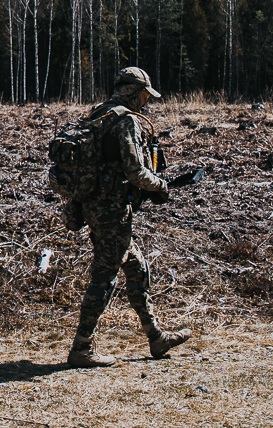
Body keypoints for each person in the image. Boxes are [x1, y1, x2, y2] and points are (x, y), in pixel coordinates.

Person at [65, 66, 192, 368]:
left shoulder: (99, 114)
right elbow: (135, 171)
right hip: (112, 211)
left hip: (92, 206)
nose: (146, 102)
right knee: (105, 277)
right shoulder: (126, 121)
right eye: (145, 96)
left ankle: (156, 337)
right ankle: (82, 348)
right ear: (134, 93)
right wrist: (161, 186)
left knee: (135, 267)